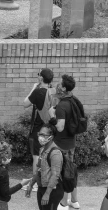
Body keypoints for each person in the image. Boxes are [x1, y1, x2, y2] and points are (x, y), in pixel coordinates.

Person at [22, 68, 56, 190]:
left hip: (39, 128)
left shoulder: (38, 92)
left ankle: (36, 183)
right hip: (52, 127)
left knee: (37, 155)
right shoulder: (53, 91)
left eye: (38, 75)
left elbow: (25, 103)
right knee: (50, 154)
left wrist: (34, 88)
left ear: (41, 78)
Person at [51, 74, 81, 208]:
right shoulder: (74, 100)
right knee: (71, 171)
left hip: (61, 145)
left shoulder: (63, 105)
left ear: (63, 87)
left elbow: (60, 127)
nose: (58, 84)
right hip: (71, 143)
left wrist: (52, 117)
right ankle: (74, 201)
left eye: (60, 83)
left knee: (63, 174)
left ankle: (63, 203)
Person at [28, 124, 65, 210]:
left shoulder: (55, 153)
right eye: (40, 134)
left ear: (51, 137)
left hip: (52, 190)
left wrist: (47, 193)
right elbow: (39, 169)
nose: (40, 137)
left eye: (43, 135)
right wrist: (31, 184)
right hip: (41, 187)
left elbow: (55, 175)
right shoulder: (42, 149)